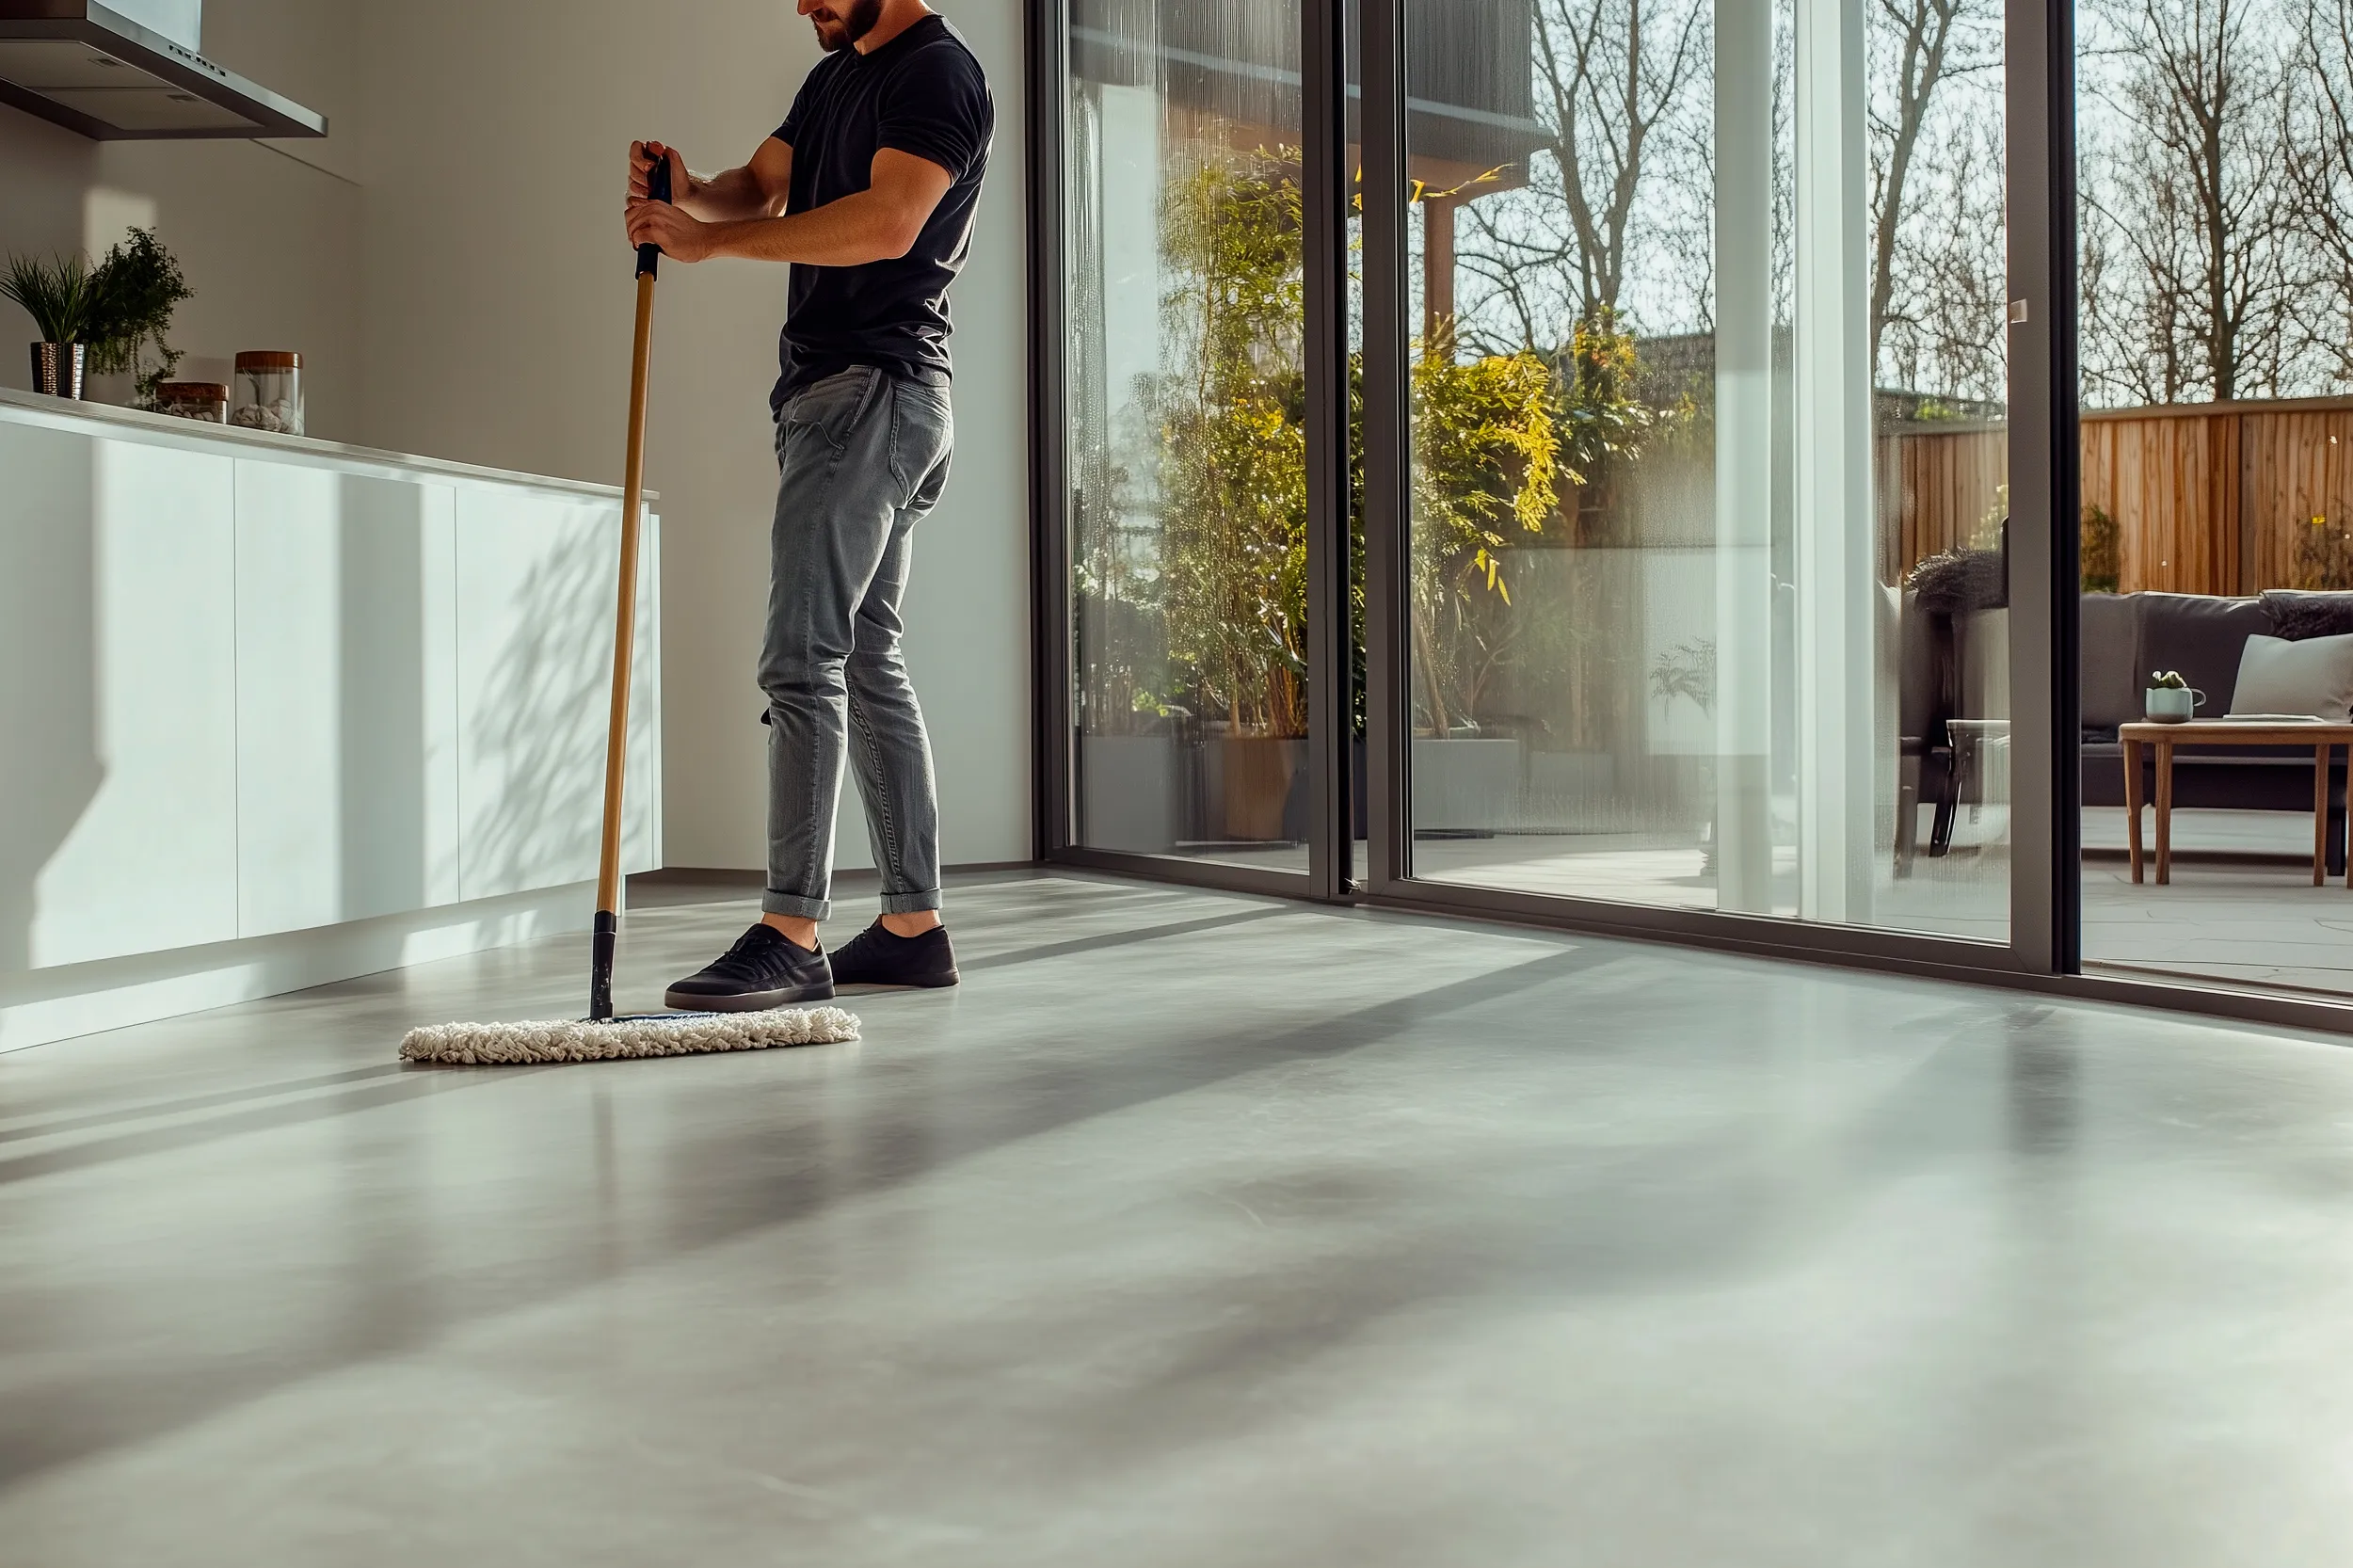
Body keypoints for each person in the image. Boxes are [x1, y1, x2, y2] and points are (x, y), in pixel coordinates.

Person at [625, 0, 992, 1009]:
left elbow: (888, 221)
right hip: (856, 399)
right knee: (864, 653)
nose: (803, 5)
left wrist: (708, 247)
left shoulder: (937, 74)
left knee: (802, 656)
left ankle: (790, 929)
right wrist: (692, 193)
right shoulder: (838, 77)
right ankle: (913, 928)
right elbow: (760, 182)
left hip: (871, 391)